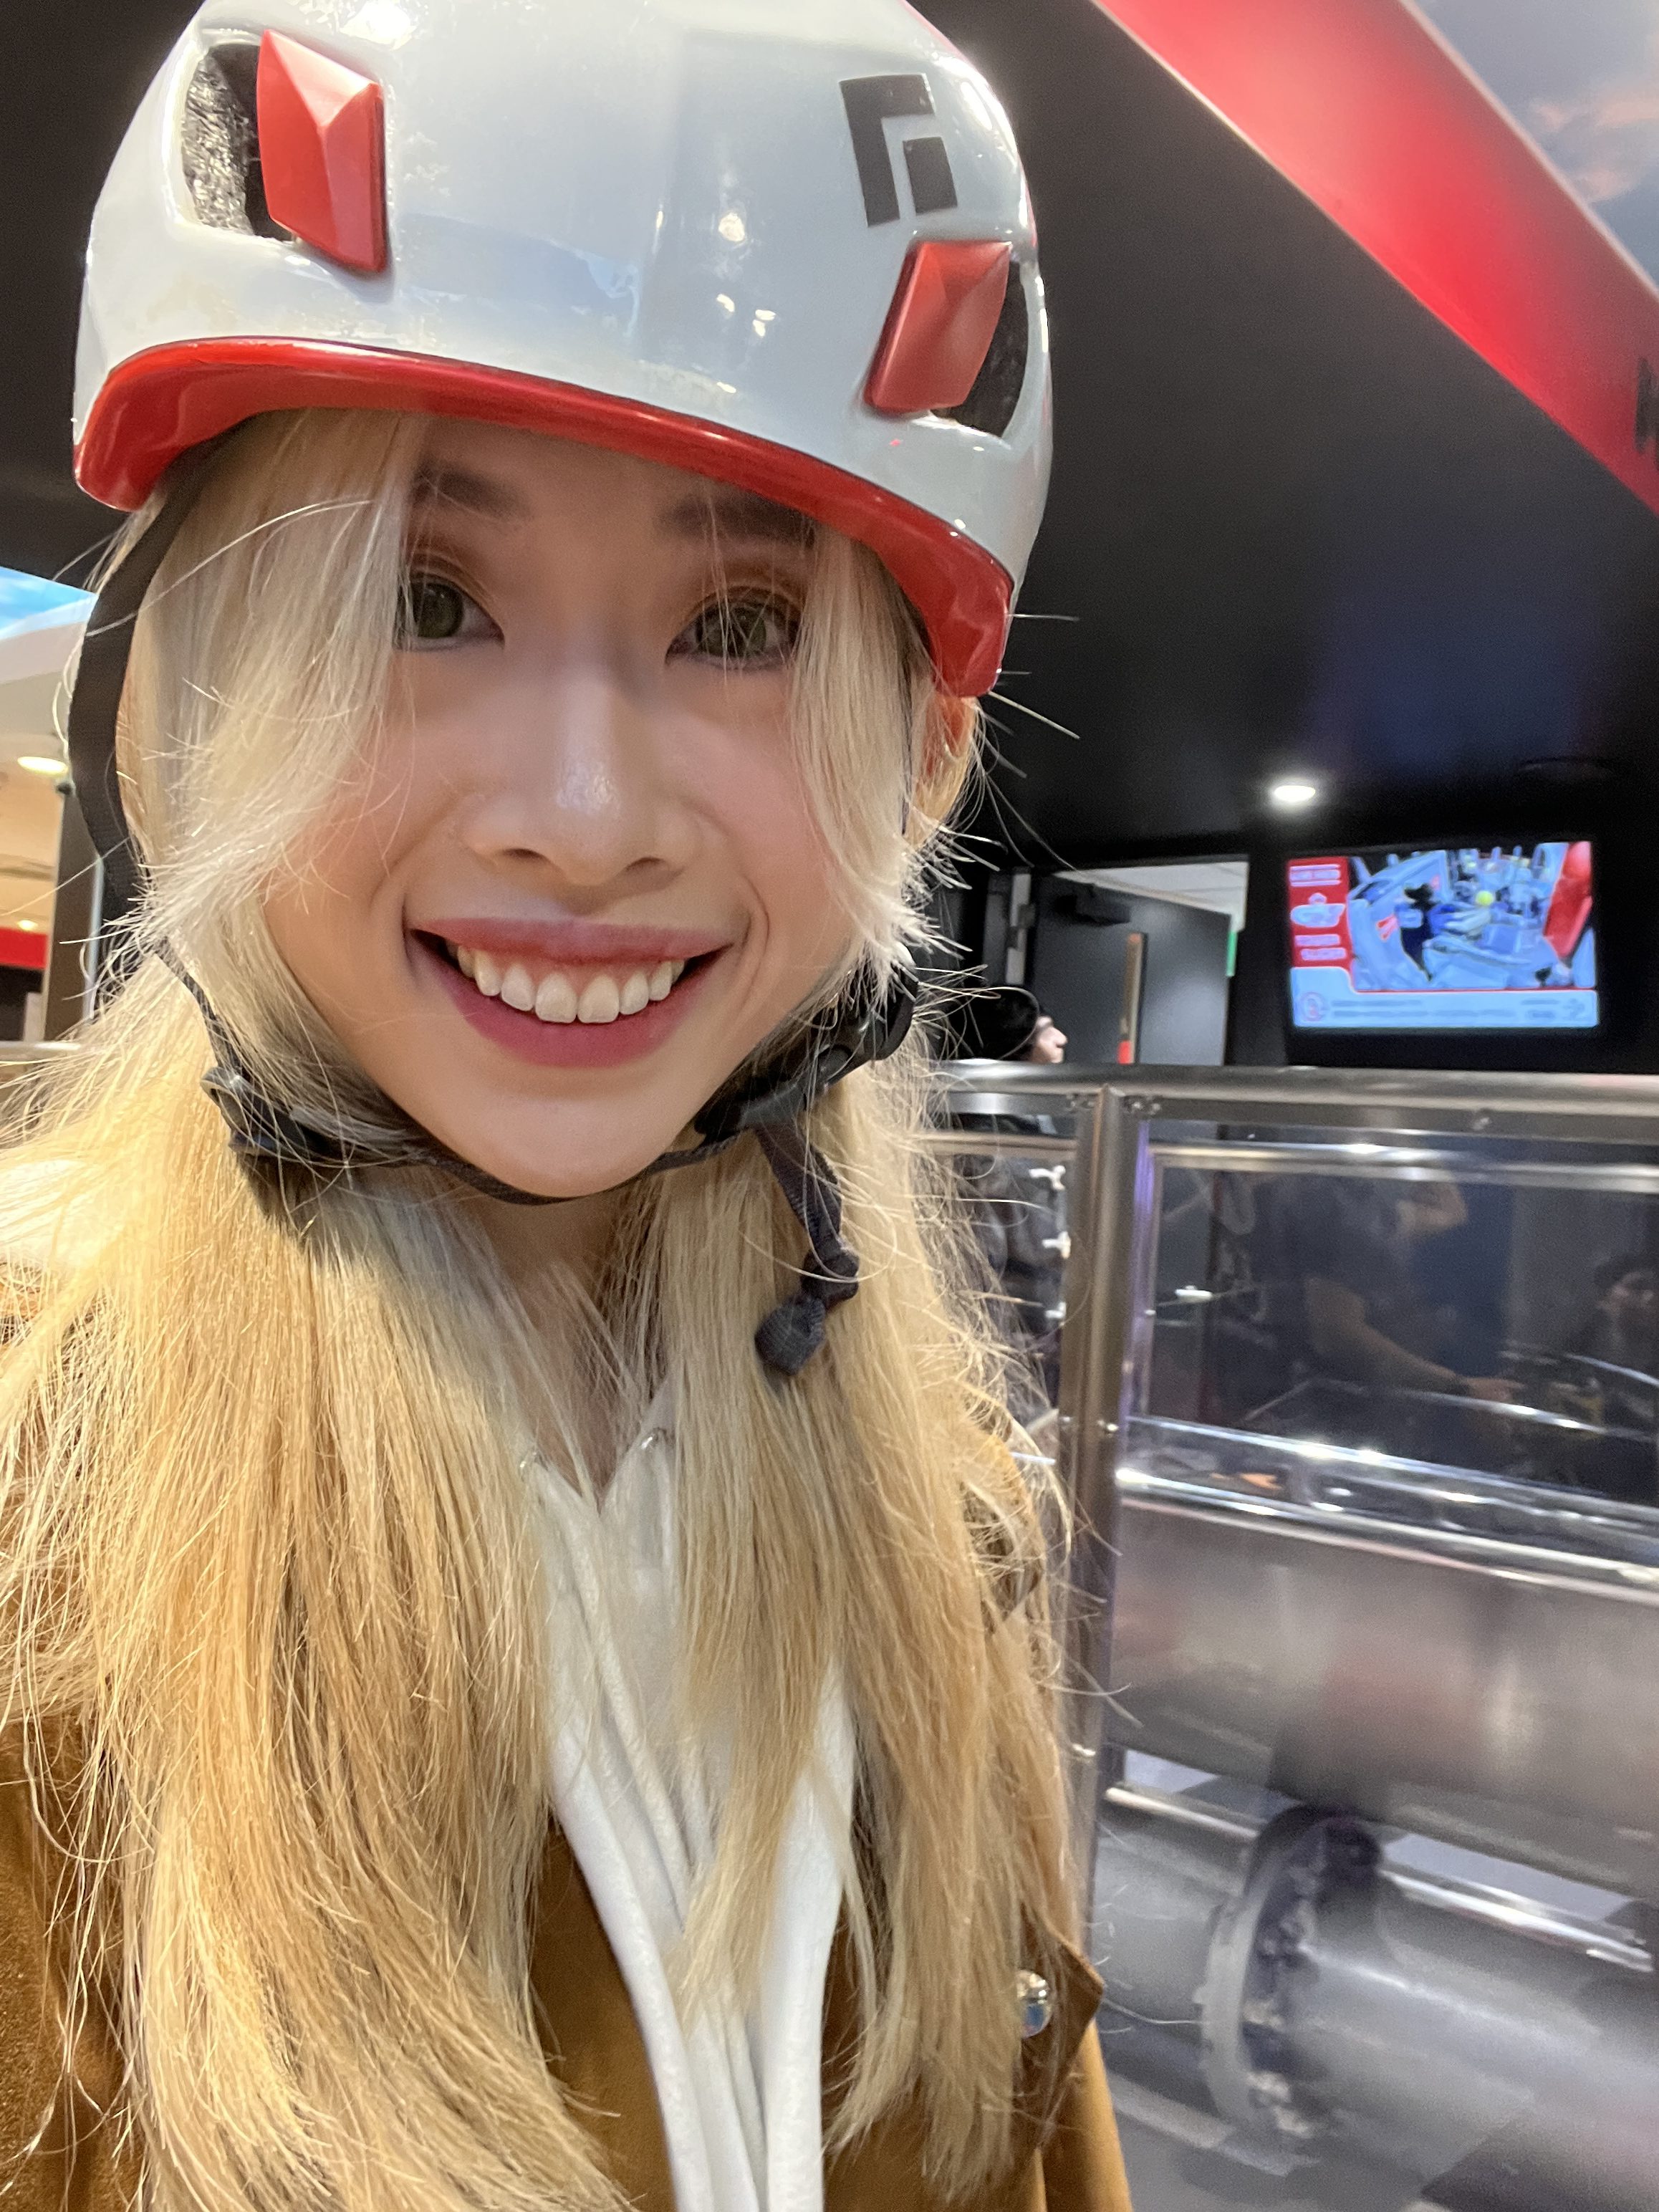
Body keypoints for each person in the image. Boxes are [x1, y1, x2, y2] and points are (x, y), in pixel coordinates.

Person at [0, 5, 1131, 2211]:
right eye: (428, 600)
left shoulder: (931, 1507)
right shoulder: (48, 1505)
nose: (587, 818)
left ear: (909, 754)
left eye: (740, 623)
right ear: (197, 695)